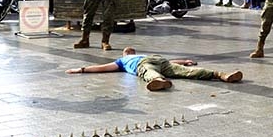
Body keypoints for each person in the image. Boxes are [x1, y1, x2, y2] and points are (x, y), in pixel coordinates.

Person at [66, 46, 243, 91]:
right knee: (185, 72)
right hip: (159, 59)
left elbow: (102, 68)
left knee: (149, 72)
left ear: (126, 53)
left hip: (146, 64)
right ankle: (220, 74)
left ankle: (157, 81)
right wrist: (185, 61)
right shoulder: (142, 54)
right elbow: (172, 62)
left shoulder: (123, 60)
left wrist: (81, 69)